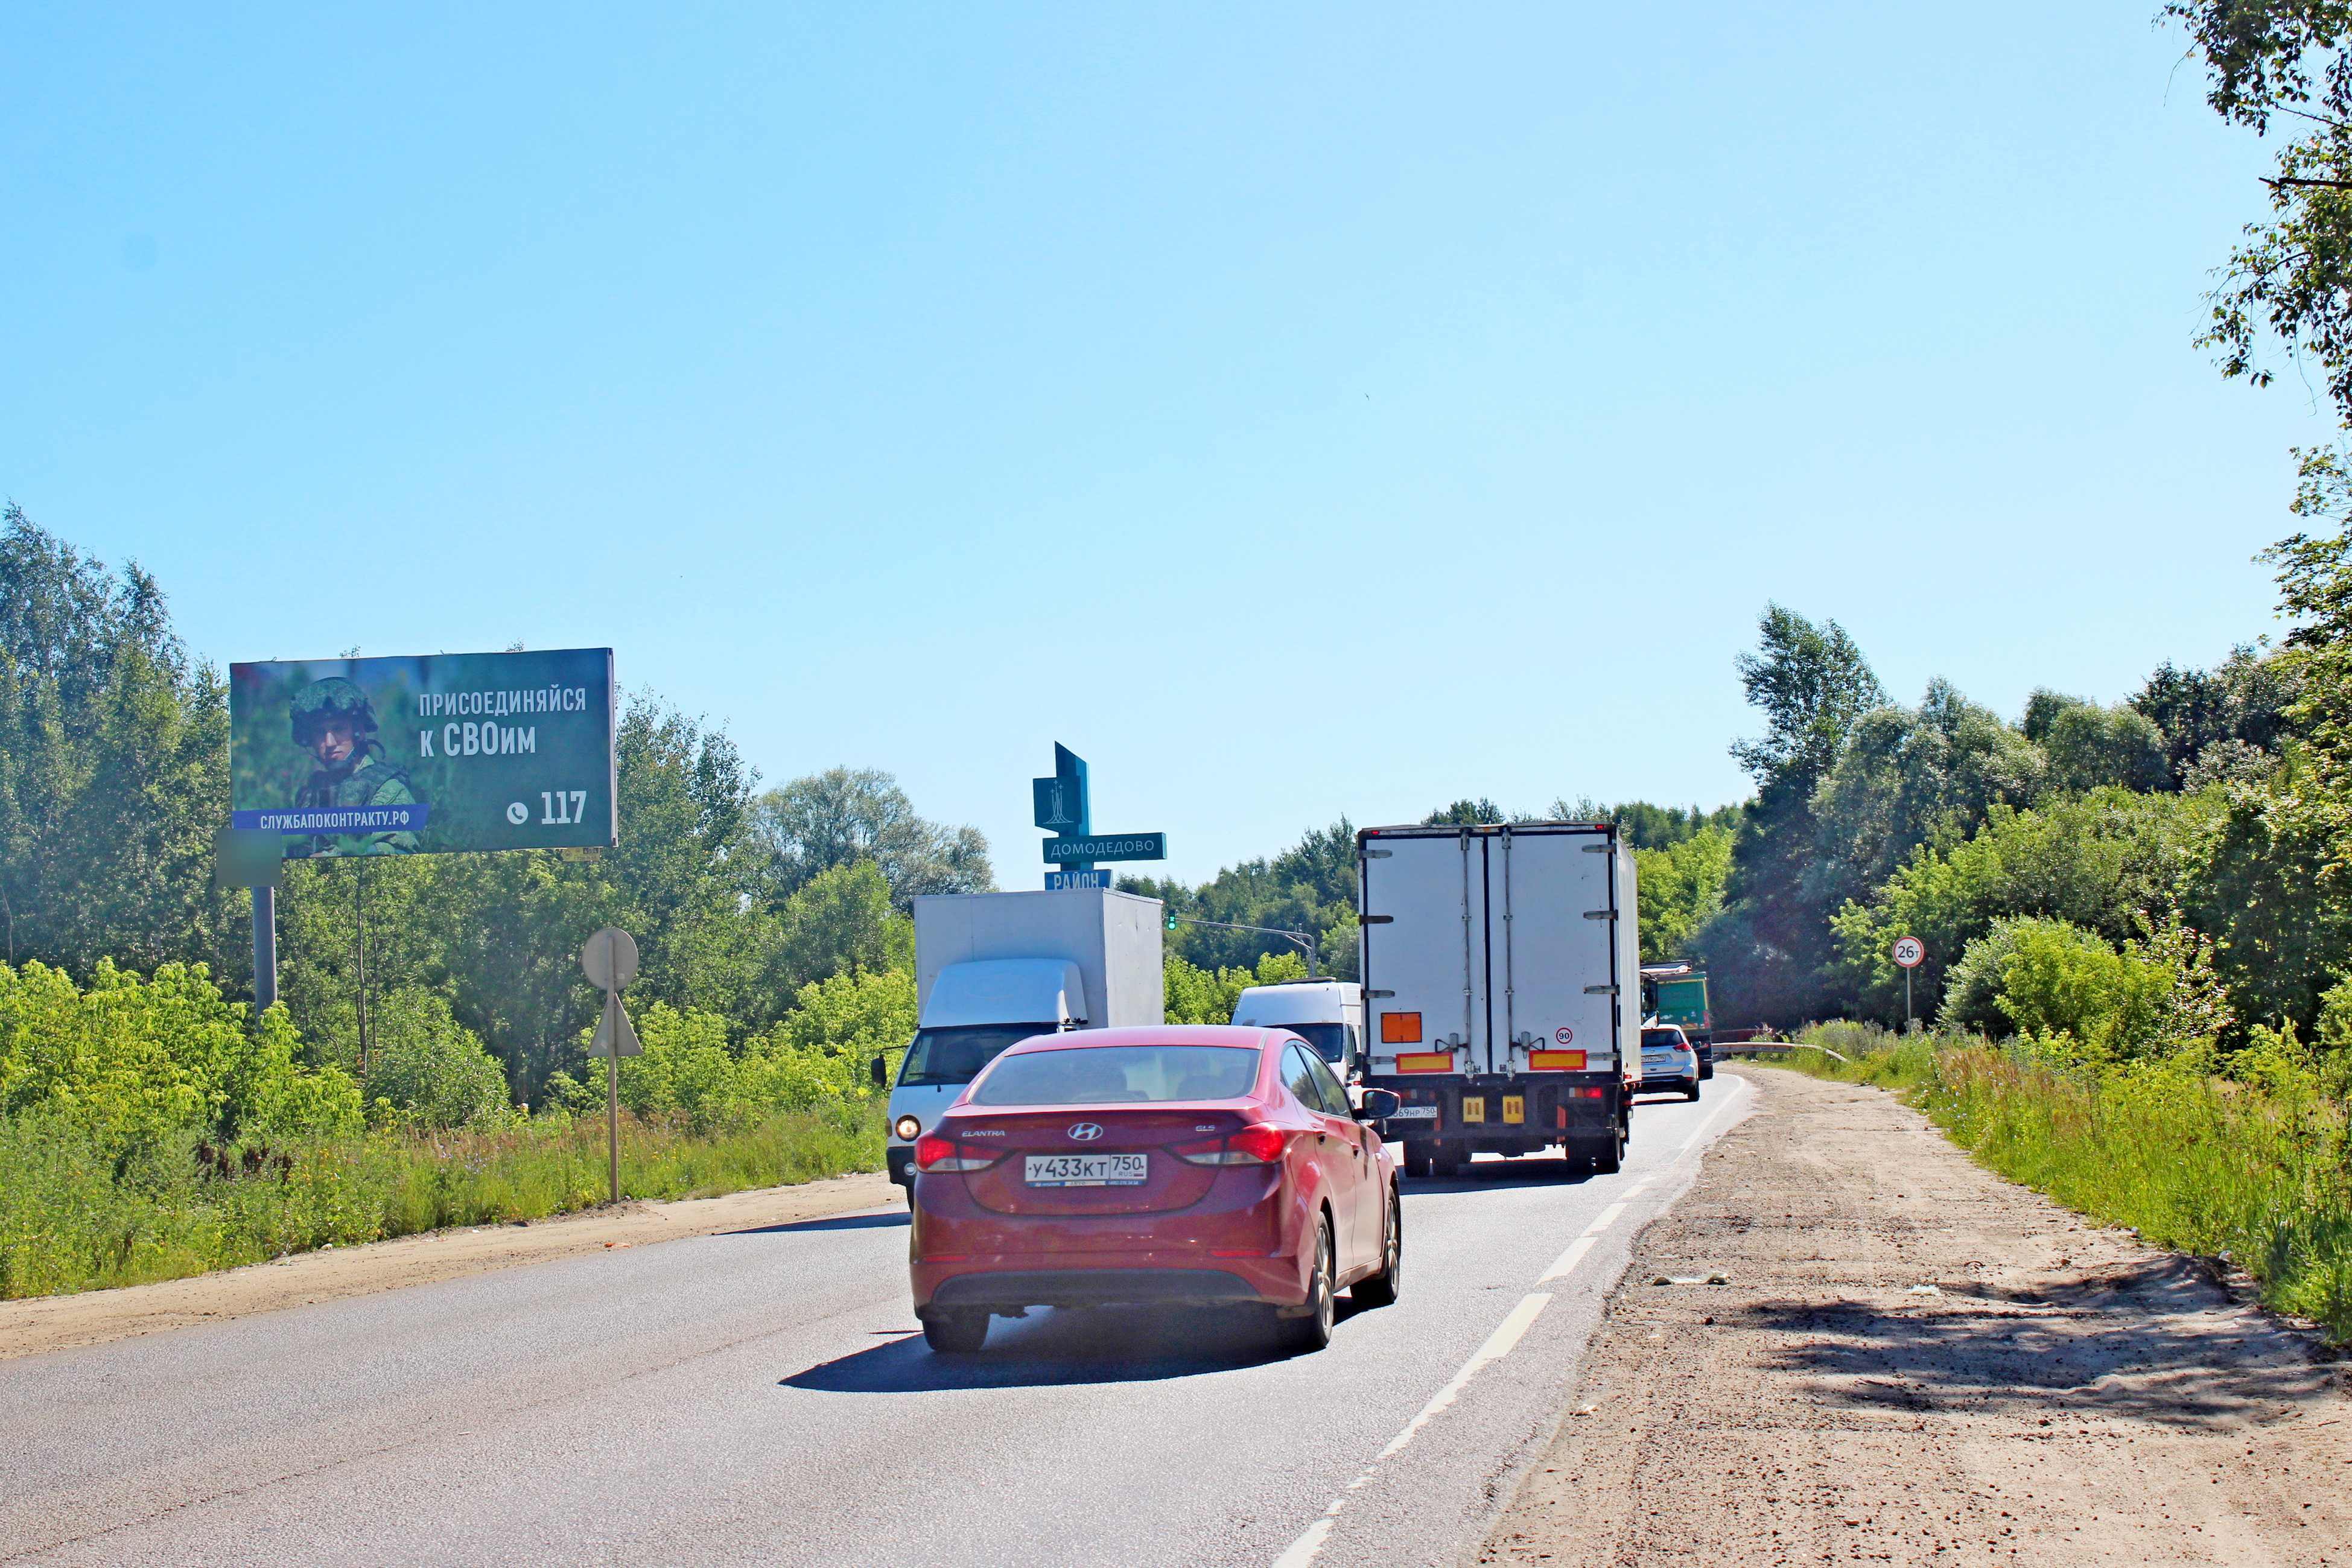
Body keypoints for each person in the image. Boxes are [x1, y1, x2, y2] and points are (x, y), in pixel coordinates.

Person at [288, 677, 418, 856]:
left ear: (359, 732)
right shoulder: (309, 794)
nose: (329, 742)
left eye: (339, 729)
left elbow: (403, 852)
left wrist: (337, 857)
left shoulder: (386, 789)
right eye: (320, 732)